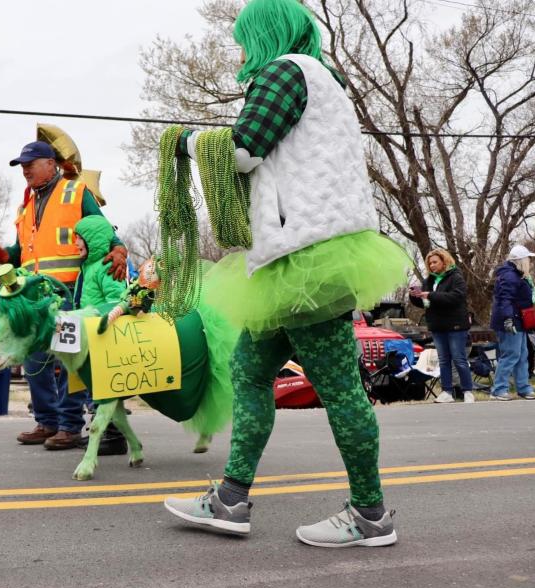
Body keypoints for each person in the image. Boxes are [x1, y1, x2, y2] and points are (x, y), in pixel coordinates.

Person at [159, 0, 411, 547]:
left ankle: (370, 514)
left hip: (304, 258)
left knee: (341, 389)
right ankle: (230, 500)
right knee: (251, 373)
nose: (242, 52)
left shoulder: (285, 72)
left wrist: (185, 142)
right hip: (298, 256)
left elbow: (245, 148)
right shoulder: (328, 83)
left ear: (266, 34)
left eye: (245, 39)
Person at [0, 141, 128, 450]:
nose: (25, 168)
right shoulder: (27, 207)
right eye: (22, 164)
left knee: (68, 362)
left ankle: (70, 426)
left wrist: (118, 249)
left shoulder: (75, 192)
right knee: (34, 360)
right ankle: (47, 421)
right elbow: (21, 254)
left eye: (31, 162)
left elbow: (102, 231)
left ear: (51, 163)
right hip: (36, 297)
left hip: (70, 294)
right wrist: (1, 254)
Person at [72, 215, 129, 455]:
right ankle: (106, 431)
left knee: (105, 389)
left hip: (103, 334)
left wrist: (96, 319)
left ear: (92, 241)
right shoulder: (88, 267)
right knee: (95, 388)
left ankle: (113, 436)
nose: (75, 245)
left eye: (79, 239)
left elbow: (117, 300)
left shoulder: (105, 267)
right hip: (92, 335)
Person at [409, 250, 475, 404]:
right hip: (437, 325)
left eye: (435, 262)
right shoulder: (428, 281)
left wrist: (430, 295)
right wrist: (415, 297)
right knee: (443, 360)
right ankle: (447, 392)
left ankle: (467, 391)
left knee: (459, 359)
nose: (432, 266)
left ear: (444, 261)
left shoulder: (455, 277)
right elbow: (426, 303)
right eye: (430, 263)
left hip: (456, 324)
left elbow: (457, 297)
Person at [489, 245, 535, 401]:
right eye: (528, 259)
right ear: (521, 260)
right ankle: (499, 389)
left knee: (522, 354)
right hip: (510, 321)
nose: (529, 261)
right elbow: (504, 299)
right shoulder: (510, 276)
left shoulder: (515, 275)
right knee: (511, 355)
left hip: (518, 320)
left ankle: (523, 388)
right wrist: (508, 318)